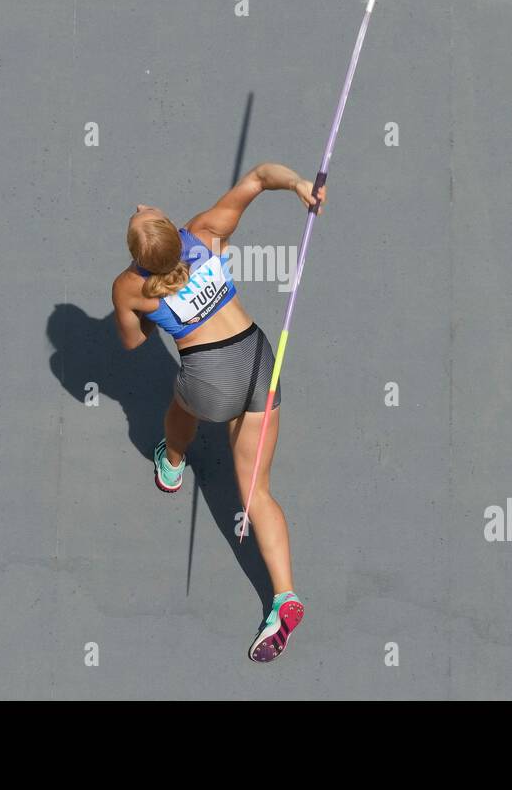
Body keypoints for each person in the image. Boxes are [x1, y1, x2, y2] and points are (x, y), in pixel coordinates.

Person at [111, 162, 325, 662]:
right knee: (258, 491)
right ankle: (285, 597)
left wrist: (147, 320)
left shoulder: (129, 286)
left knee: (179, 406)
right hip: (258, 360)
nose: (143, 206)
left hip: (208, 379)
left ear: (140, 257)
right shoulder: (205, 232)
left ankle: (174, 461)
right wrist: (299, 186)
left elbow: (131, 343)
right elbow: (257, 177)